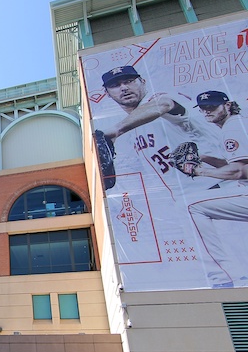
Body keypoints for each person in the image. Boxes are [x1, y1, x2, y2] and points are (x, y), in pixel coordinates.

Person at [96, 65, 220, 199]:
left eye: (129, 81)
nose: (124, 88)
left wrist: (115, 131)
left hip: (218, 185)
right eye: (115, 85)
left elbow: (165, 103)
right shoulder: (131, 128)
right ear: (107, 93)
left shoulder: (158, 98)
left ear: (142, 81)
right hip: (188, 197)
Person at [185, 91, 248, 287]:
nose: (207, 111)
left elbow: (239, 171)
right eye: (203, 108)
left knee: (191, 206)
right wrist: (203, 158)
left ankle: (226, 276)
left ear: (227, 106)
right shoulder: (236, 124)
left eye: (212, 106)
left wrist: (199, 170)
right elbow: (237, 164)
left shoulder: (233, 129)